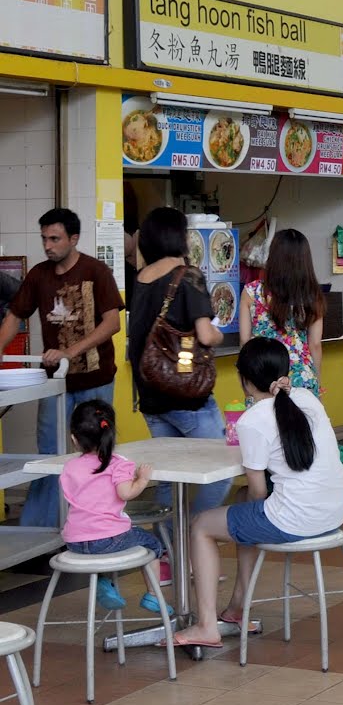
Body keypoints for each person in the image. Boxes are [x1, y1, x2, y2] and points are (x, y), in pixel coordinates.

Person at [173, 338, 343, 649]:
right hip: (333, 512)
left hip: (295, 519)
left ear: (243, 378)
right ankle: (237, 607)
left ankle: (206, 625)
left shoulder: (252, 420)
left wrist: (251, 516)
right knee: (241, 507)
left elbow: (258, 489)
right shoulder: (308, 398)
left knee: (201, 524)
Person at [0, 208, 124, 528]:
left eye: (54, 239)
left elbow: (112, 323)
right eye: (44, 239)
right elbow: (14, 317)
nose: (48, 246)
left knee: (97, 454)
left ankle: (97, 523)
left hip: (95, 380)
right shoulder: (39, 275)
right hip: (55, 383)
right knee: (49, 458)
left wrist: (70, 351)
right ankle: (38, 532)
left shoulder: (96, 271)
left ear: (73, 238)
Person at [125, 207, 229, 517]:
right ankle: (193, 534)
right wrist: (219, 336)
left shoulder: (141, 278)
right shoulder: (188, 275)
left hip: (151, 394)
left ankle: (171, 553)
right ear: (179, 237)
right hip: (187, 395)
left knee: (169, 477)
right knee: (221, 470)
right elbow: (205, 335)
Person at [60, 401, 163, 612]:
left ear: (74, 439)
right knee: (153, 544)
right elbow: (125, 492)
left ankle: (104, 583)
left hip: (74, 541)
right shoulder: (118, 463)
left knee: (100, 548)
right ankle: (153, 594)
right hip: (108, 539)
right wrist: (142, 480)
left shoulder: (69, 467)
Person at [240, 228, 325, 396]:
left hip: (263, 379)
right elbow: (315, 344)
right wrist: (317, 382)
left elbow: (245, 342)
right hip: (302, 378)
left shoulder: (251, 292)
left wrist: (246, 384)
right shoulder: (312, 295)